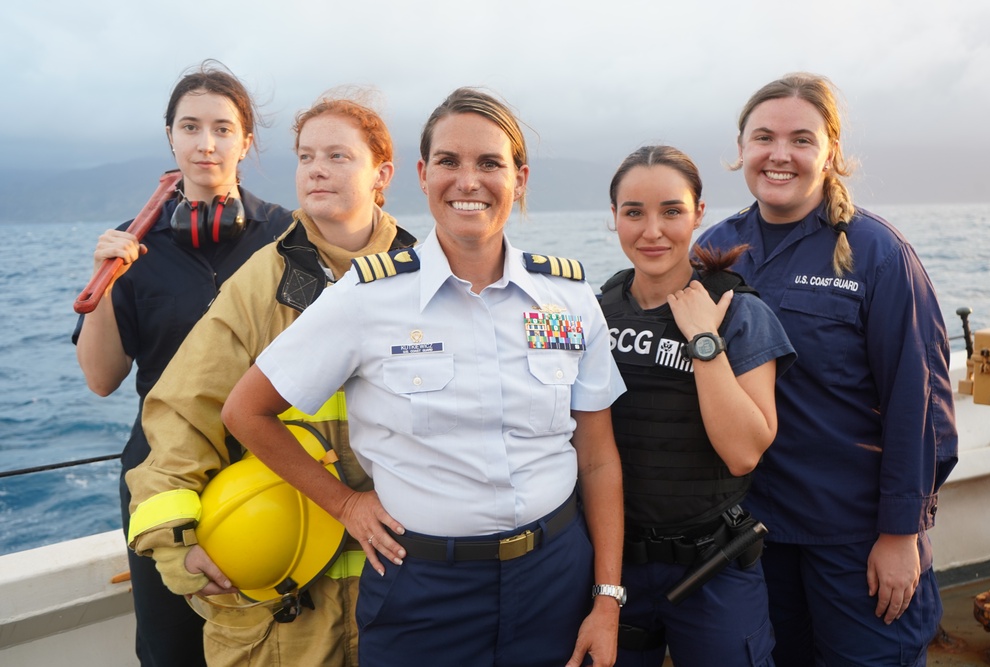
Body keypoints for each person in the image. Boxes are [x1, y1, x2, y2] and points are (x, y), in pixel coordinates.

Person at [220, 87, 627, 667]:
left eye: (490, 163)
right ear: (422, 173)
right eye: (449, 162)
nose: (468, 181)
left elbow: (598, 458)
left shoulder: (567, 299)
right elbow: (245, 411)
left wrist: (607, 598)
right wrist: (345, 506)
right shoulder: (366, 297)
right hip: (424, 592)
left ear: (520, 178)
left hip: (556, 579)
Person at [124, 93, 416, 666]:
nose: (316, 169)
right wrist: (172, 541)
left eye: (337, 155)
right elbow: (183, 411)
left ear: (382, 173)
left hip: (401, 592)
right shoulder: (260, 283)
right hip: (289, 608)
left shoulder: (428, 278)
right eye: (306, 156)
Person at [697, 73, 959, 666]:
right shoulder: (715, 249)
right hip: (752, 536)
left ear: (831, 151)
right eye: (763, 137)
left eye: (801, 139)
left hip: (856, 537)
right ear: (741, 149)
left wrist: (899, 534)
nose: (780, 154)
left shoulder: (878, 254)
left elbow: (919, 406)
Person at [72, 60, 293, 666]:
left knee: (281, 639)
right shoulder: (130, 243)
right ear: (170, 136)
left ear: (246, 141)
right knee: (172, 648)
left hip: (267, 465)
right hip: (161, 482)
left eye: (223, 128)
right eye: (190, 127)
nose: (206, 143)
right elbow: (100, 379)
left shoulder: (288, 235)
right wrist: (109, 283)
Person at [600, 145, 795, 667]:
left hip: (712, 565)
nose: (652, 231)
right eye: (633, 212)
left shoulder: (738, 311)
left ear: (699, 215)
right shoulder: (598, 312)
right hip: (615, 566)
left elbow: (743, 453)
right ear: (613, 218)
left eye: (671, 211)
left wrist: (704, 340)